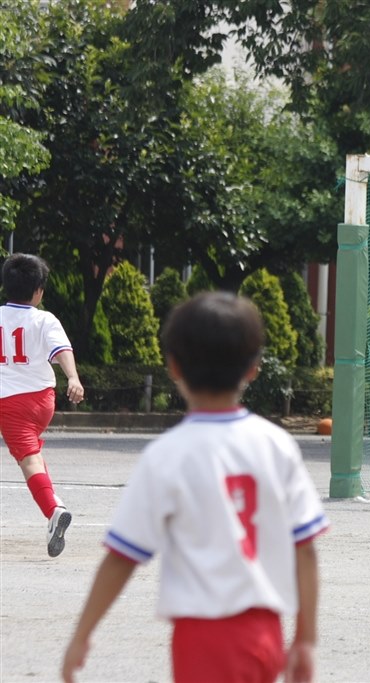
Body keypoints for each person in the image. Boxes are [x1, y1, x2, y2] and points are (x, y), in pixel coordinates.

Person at [62, 292, 329, 683]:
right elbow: (305, 549)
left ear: (173, 367)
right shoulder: (276, 444)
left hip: (202, 636)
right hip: (264, 632)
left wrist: (82, 634)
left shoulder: (167, 455)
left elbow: (122, 556)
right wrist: (304, 639)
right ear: (253, 368)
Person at [0, 253, 84, 557]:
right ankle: (54, 502)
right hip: (43, 401)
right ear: (38, 291)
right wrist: (73, 378)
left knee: (29, 461)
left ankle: (53, 511)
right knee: (32, 452)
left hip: (10, 403)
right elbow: (62, 350)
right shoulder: (45, 318)